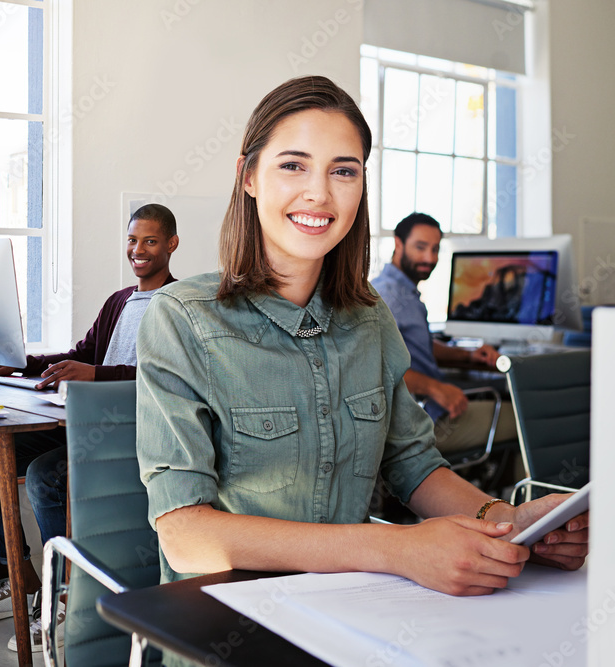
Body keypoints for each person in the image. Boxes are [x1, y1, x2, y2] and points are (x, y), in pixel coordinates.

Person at [134, 77, 588, 656]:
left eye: (343, 171)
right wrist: (398, 548)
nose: (319, 194)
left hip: (359, 615)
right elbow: (185, 536)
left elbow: (415, 466)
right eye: (294, 165)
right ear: (248, 176)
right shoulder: (181, 319)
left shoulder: (370, 318)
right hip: (228, 630)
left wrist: (510, 525)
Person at [0, 203, 179, 652]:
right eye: (133, 240)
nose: (138, 250)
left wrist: (95, 375)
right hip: (82, 418)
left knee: (44, 476)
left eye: (150, 241)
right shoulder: (120, 300)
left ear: (172, 244)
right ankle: (18, 579)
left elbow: (165, 377)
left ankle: (65, 597)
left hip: (128, 431)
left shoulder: (179, 304)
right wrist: (15, 365)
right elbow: (81, 355)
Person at [370, 212, 519, 456]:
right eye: (420, 247)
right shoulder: (389, 297)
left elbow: (416, 347)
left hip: (424, 410)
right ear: (398, 244)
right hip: (422, 422)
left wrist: (468, 356)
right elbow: (373, 367)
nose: (429, 258)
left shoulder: (400, 290)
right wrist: (435, 388)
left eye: (435, 249)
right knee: (523, 418)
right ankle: (530, 494)